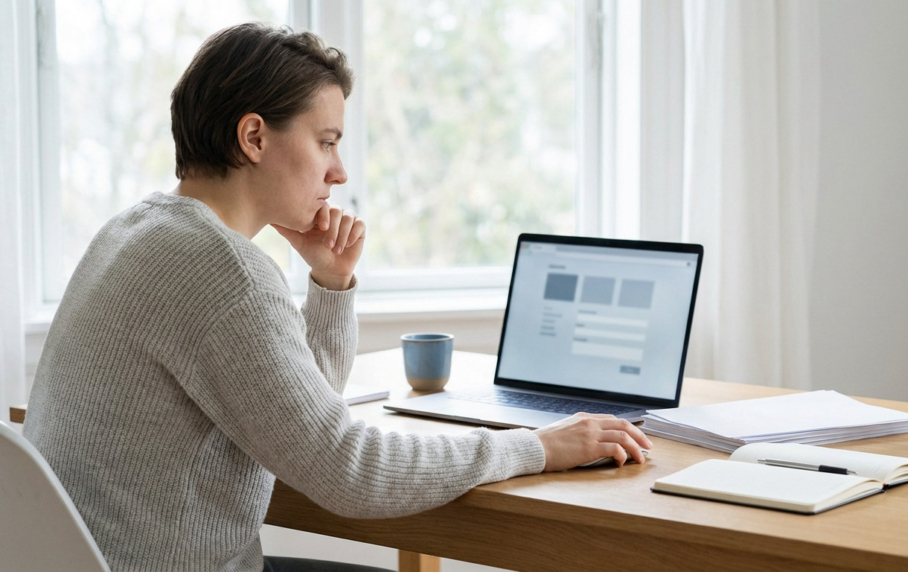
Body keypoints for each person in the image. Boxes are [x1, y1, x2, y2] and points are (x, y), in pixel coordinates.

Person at [21, 22, 651, 572]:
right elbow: (348, 471)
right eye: (326, 141)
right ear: (254, 138)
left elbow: (299, 416)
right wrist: (537, 446)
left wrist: (329, 284)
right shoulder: (221, 271)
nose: (339, 171)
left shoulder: (135, 230)